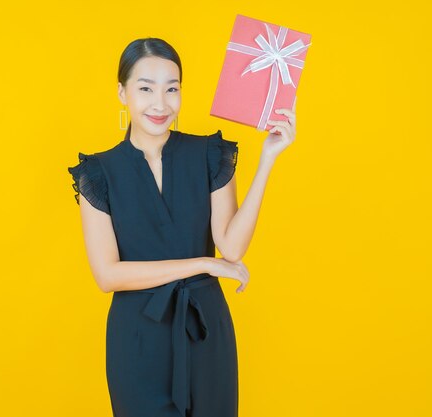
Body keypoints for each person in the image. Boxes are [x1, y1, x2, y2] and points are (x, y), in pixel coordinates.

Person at [67, 37, 297, 417]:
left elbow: (233, 248)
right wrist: (204, 265)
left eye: (172, 89)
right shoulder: (98, 173)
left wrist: (267, 160)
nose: (161, 103)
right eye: (145, 88)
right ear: (122, 92)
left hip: (206, 332)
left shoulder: (209, 154)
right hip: (138, 339)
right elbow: (108, 275)